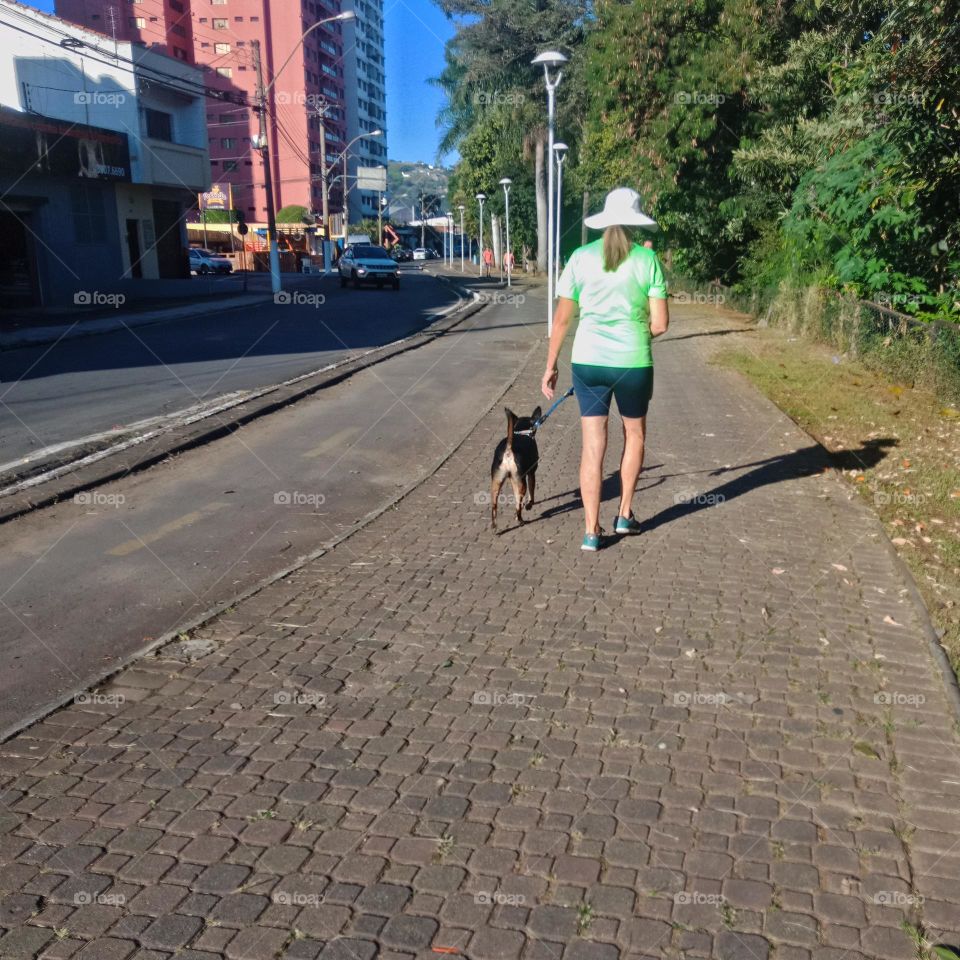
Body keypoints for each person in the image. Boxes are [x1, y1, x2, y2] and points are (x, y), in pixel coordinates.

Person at [541, 187, 669, 552]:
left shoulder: (579, 258)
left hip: (587, 362)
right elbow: (660, 324)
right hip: (633, 363)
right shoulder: (648, 262)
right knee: (635, 436)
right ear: (634, 223)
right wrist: (633, 332)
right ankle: (624, 515)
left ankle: (591, 531)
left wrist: (550, 367)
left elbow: (563, 320)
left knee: (593, 445)